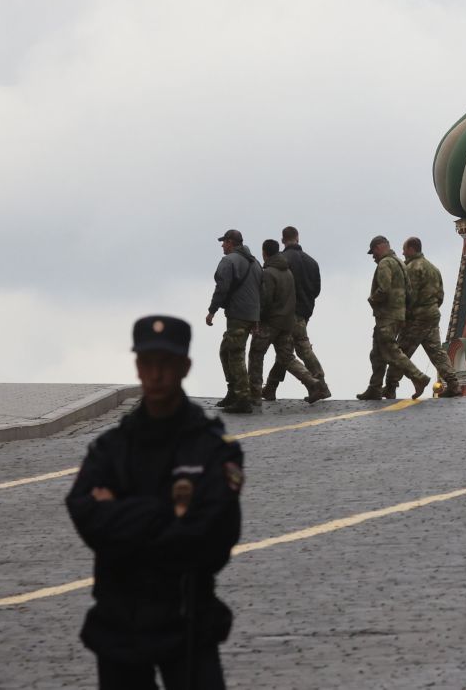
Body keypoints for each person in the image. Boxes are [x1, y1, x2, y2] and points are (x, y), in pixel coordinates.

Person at [66, 315, 243, 689]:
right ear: (137, 366)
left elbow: (211, 539)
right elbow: (83, 511)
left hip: (187, 621)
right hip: (119, 623)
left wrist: (120, 512)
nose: (157, 374)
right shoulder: (113, 446)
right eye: (148, 363)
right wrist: (168, 514)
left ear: (185, 367)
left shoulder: (211, 449)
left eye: (166, 363)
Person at [248, 239, 327, 405]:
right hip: (287, 321)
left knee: (256, 353)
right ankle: (314, 383)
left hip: (271, 322)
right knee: (287, 357)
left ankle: (254, 392)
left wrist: (256, 320)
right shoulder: (287, 272)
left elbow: (265, 300)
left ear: (264, 253)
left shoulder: (268, 273)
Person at [385, 237, 461, 399]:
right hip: (432, 315)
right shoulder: (433, 268)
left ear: (412, 249)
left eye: (405, 249)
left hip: (416, 318)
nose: (403, 253)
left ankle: (390, 386)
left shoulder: (412, 268)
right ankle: (453, 384)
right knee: (437, 352)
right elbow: (440, 295)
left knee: (400, 351)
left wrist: (402, 315)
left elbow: (408, 295)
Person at [356, 235, 425, 400]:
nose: (373, 256)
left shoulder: (385, 263)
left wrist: (372, 299)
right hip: (398, 314)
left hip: (387, 315)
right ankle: (374, 388)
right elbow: (409, 291)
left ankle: (418, 377)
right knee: (377, 353)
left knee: (391, 351)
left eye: (373, 252)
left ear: (380, 247)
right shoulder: (400, 263)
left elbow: (384, 289)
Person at [205, 230, 260, 414]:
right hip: (251, 314)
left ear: (230, 243)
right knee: (226, 350)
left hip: (237, 314)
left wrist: (212, 311)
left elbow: (222, 287)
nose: (222, 246)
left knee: (235, 354)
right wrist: (256, 318)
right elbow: (262, 290)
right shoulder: (255, 263)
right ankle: (233, 392)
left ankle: (243, 398)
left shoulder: (229, 261)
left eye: (224, 242)